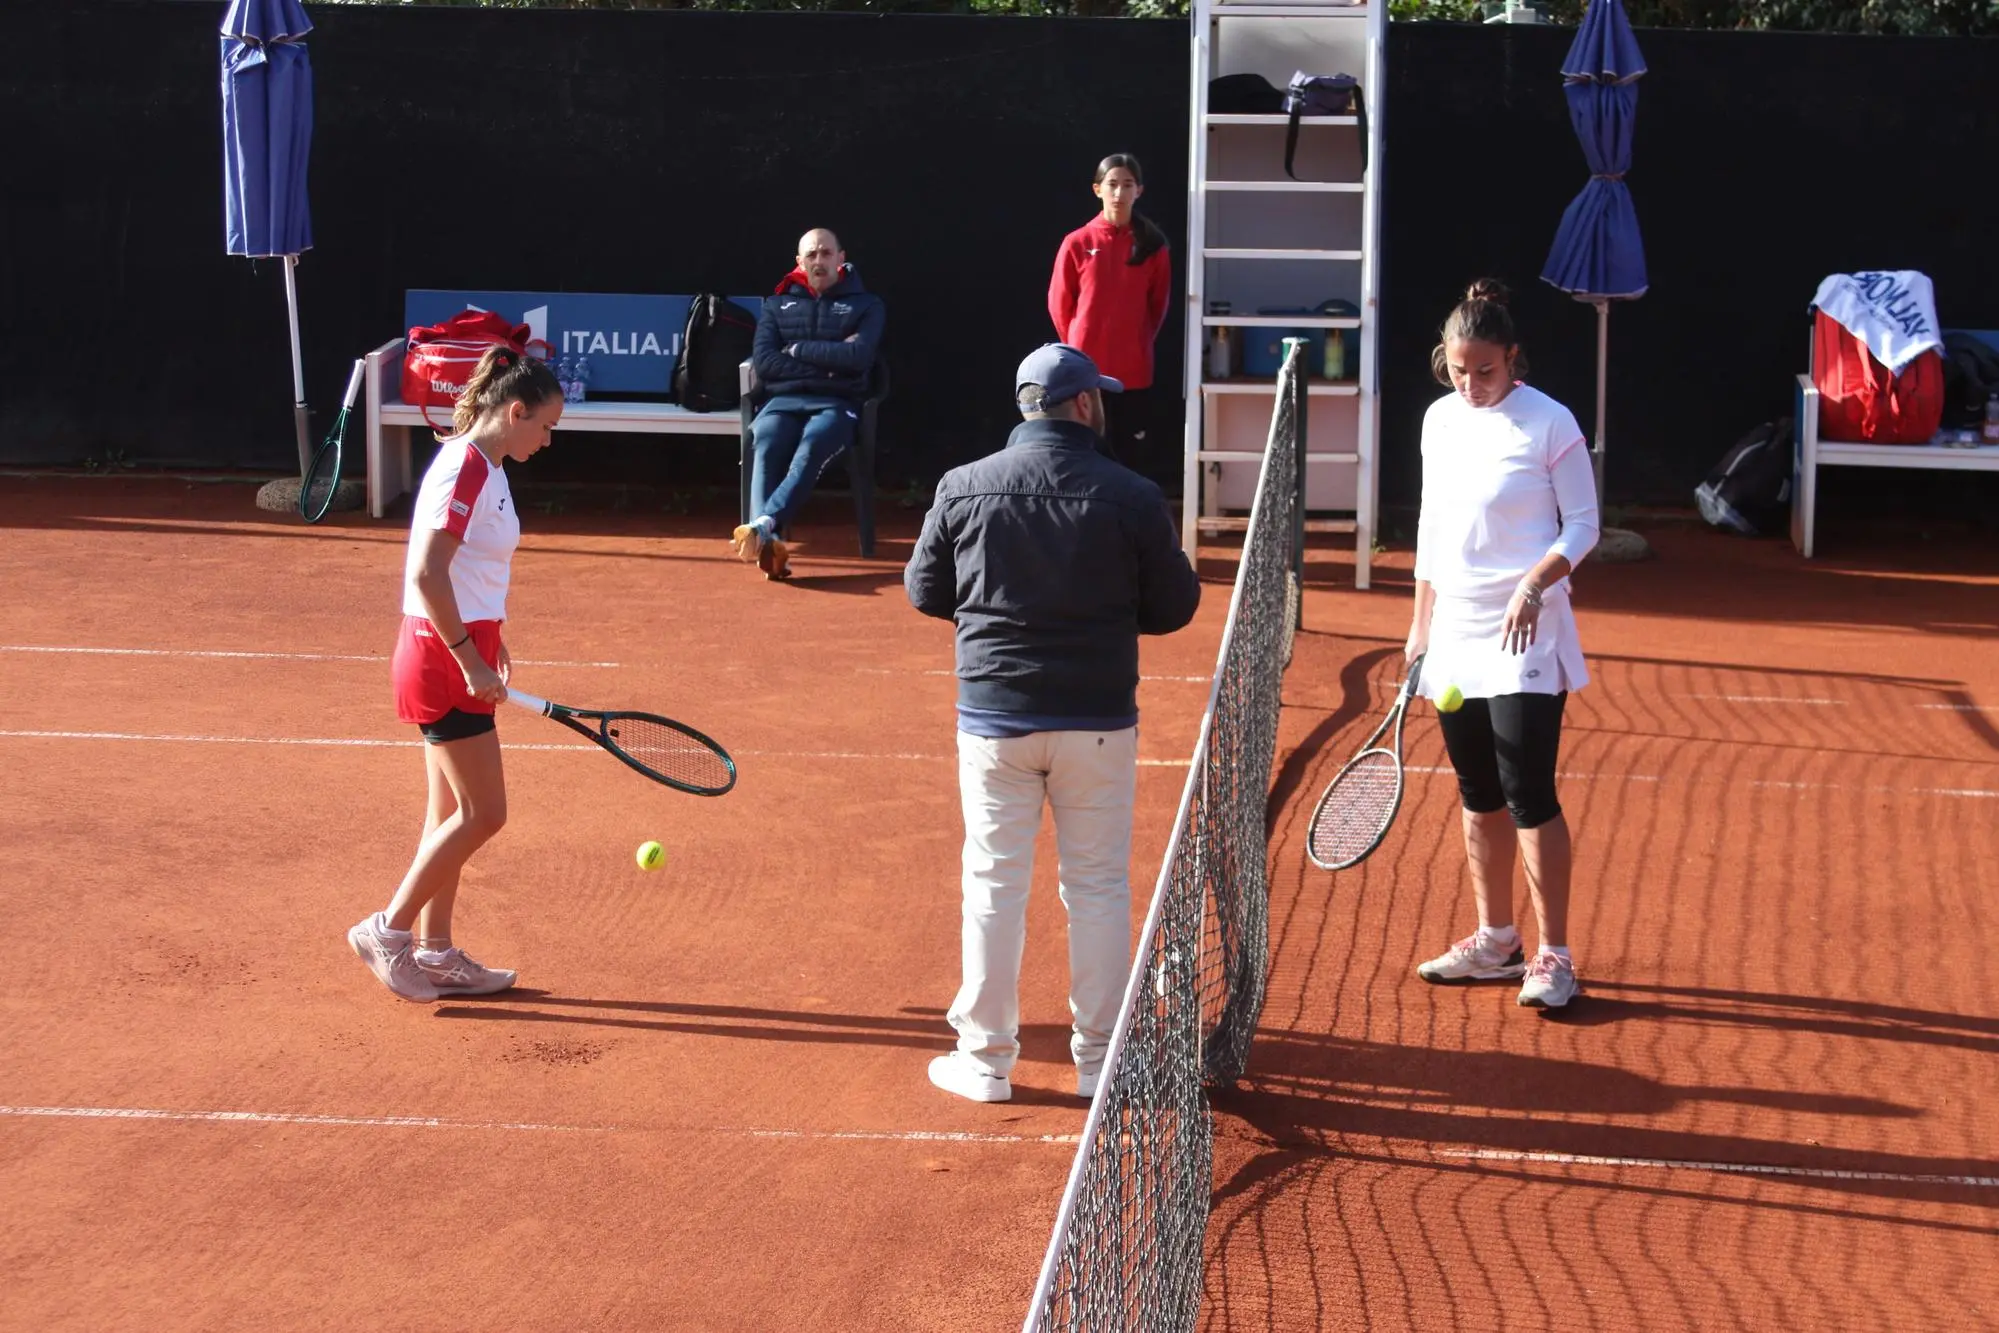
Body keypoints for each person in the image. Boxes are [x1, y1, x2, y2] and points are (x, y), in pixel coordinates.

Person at [905, 343, 1202, 1102]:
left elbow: (924, 590)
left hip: (995, 719)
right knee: (1097, 887)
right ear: (1080, 404)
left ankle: (984, 1060)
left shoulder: (963, 485)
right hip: (1097, 720)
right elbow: (1173, 607)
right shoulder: (1131, 494)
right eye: (1096, 394)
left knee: (992, 885)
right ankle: (1102, 1064)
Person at [348, 346, 564, 1003]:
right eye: (545, 426)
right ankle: (388, 931)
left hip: (458, 647)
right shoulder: (466, 469)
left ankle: (436, 951)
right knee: (485, 813)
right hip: (440, 659)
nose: (548, 440)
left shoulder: (488, 466)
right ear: (515, 410)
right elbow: (426, 573)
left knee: (448, 811)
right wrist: (468, 656)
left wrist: (491, 640)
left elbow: (472, 571)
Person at [1407, 279, 1599, 1010]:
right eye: (1458, 370)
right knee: (1476, 790)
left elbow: (1581, 525)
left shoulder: (1549, 423)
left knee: (1526, 791)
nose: (1470, 383)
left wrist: (1533, 582)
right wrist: (1420, 623)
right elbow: (1430, 526)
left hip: (1526, 624)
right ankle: (1494, 939)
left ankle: (1552, 953)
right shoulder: (1438, 421)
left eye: (1484, 370)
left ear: (1512, 359)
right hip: (1454, 628)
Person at [731, 227, 886, 581]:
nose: (819, 261)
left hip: (836, 403)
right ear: (800, 262)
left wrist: (799, 349)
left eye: (826, 253)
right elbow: (766, 362)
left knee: (814, 443)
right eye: (812, 255)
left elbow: (859, 357)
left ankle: (762, 526)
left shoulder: (868, 305)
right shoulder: (776, 304)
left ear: (841, 258)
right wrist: (831, 364)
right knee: (766, 440)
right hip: (782, 401)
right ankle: (768, 543)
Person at [1047, 153, 1172, 477]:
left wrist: (1136, 341)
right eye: (1112, 185)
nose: (1119, 193)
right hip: (1086, 370)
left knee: (1129, 453)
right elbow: (1060, 305)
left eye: (1127, 185)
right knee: (1087, 446)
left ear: (1139, 191)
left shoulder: (1153, 246)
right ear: (1097, 189)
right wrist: (1078, 350)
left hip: (1133, 371)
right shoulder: (1077, 242)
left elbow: (1157, 306)